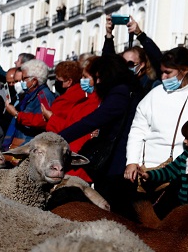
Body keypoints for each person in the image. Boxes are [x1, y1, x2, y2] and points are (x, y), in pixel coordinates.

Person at [58, 54, 141, 217]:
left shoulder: (119, 93)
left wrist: (59, 137)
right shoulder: (125, 88)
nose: (97, 82)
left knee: (115, 210)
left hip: (116, 162)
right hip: (116, 159)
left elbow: (92, 120)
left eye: (98, 77)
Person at [125, 46, 188, 181]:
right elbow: (137, 131)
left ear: (185, 70)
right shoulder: (154, 94)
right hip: (149, 170)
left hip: (187, 171)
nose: (163, 77)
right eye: (162, 72)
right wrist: (132, 161)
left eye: (168, 72)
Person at [44, 59, 101, 182]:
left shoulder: (94, 104)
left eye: (86, 77)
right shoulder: (85, 101)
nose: (82, 81)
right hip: (70, 159)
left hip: (78, 164)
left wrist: (51, 118)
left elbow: (73, 130)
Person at [1, 58, 55, 151]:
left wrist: (16, 114)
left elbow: (43, 122)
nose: (21, 82)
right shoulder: (28, 95)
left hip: (30, 146)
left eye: (24, 79)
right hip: (21, 144)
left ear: (34, 81)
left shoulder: (43, 96)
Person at [103, 14, 162, 97]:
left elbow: (157, 58)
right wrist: (109, 35)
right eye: (123, 63)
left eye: (130, 64)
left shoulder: (151, 84)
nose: (126, 67)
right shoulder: (121, 82)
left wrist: (140, 34)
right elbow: (107, 62)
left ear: (142, 64)